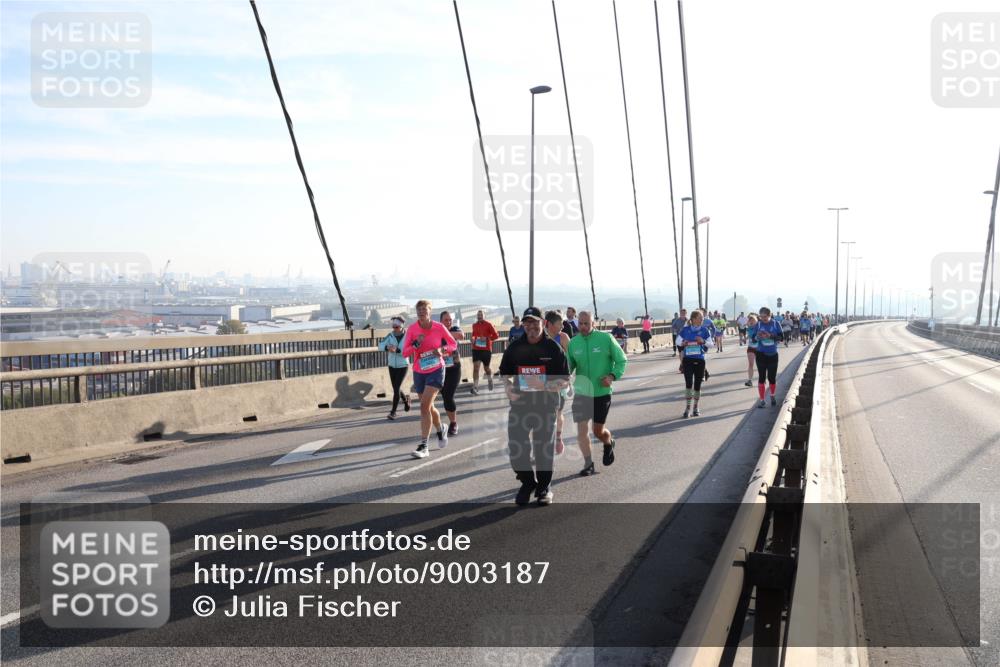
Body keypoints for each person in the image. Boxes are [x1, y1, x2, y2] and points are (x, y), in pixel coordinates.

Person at [498, 307, 569, 506]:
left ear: (543, 323)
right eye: (527, 322)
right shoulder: (515, 347)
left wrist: (545, 385)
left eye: (534, 322)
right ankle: (528, 483)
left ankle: (544, 488)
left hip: (546, 406)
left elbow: (565, 381)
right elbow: (504, 373)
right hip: (520, 405)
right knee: (516, 448)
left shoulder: (553, 348)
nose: (531, 326)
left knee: (543, 449)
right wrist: (508, 387)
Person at [567, 310, 628, 476]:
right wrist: (562, 378)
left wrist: (612, 376)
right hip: (582, 393)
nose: (583, 326)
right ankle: (588, 464)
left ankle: (608, 442)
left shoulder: (606, 339)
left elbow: (621, 359)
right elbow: (568, 366)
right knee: (581, 430)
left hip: (601, 392)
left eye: (587, 323)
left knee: (598, 431)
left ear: (593, 323)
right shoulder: (574, 343)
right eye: (580, 323)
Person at [402, 300, 457, 458]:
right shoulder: (412, 329)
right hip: (420, 371)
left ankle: (424, 446)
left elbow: (453, 344)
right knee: (428, 406)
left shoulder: (439, 327)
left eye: (424, 310)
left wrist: (442, 350)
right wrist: (415, 344)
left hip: (436, 370)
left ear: (430, 312)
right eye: (419, 310)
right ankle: (441, 429)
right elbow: (405, 353)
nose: (421, 312)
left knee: (424, 406)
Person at [544, 310, 572, 456]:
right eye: (559, 323)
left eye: (563, 323)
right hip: (542, 382)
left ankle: (558, 437)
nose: (562, 326)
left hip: (559, 381)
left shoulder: (563, 337)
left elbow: (570, 359)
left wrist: (569, 380)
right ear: (549, 324)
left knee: (557, 413)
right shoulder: (539, 338)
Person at [677, 310, 712, 417]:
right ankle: (687, 409)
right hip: (688, 360)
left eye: (702, 318)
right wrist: (683, 343)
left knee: (697, 385)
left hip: (700, 360)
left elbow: (711, 344)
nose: (702, 320)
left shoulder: (705, 330)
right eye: (700, 318)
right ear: (693, 319)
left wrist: (703, 341)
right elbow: (677, 341)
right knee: (688, 384)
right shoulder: (686, 330)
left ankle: (696, 407)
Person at [377, 317, 411, 419]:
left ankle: (393, 412)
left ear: (401, 327)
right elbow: (380, 345)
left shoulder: (408, 336)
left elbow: (409, 350)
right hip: (392, 365)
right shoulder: (390, 335)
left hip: (403, 365)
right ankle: (406, 401)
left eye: (396, 327)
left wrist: (397, 350)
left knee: (396, 388)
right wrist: (387, 347)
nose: (394, 329)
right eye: (393, 326)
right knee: (396, 388)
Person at [749, 306, 783, 408]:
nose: (763, 319)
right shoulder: (758, 324)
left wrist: (770, 336)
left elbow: (781, 338)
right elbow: (753, 339)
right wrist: (758, 337)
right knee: (762, 377)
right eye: (761, 316)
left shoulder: (776, 324)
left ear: (769, 315)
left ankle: (772, 395)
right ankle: (762, 400)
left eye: (765, 317)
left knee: (771, 378)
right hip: (761, 354)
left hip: (772, 354)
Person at [439, 310, 464, 436]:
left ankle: (453, 423)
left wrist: (445, 333)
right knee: (445, 397)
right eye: (446, 320)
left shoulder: (454, 328)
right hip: (440, 368)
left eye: (450, 320)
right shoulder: (436, 330)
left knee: (449, 396)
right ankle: (450, 420)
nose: (449, 322)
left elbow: (461, 336)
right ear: (441, 321)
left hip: (454, 368)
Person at [470, 310, 499, 394]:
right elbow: (473, 335)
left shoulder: (489, 324)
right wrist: (472, 338)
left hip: (486, 350)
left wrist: (487, 338)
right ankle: (475, 387)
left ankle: (490, 379)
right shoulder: (474, 325)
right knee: (476, 368)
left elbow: (496, 335)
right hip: (476, 349)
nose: (479, 316)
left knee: (486, 368)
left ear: (484, 316)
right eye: (478, 315)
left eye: (481, 315)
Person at [744, 313, 758, 387]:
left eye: (753, 320)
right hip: (751, 348)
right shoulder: (749, 328)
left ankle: (762, 378)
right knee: (751, 364)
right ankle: (750, 380)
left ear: (756, 321)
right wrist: (745, 338)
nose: (751, 322)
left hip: (759, 348)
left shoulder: (759, 327)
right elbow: (749, 335)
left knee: (760, 365)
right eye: (750, 320)